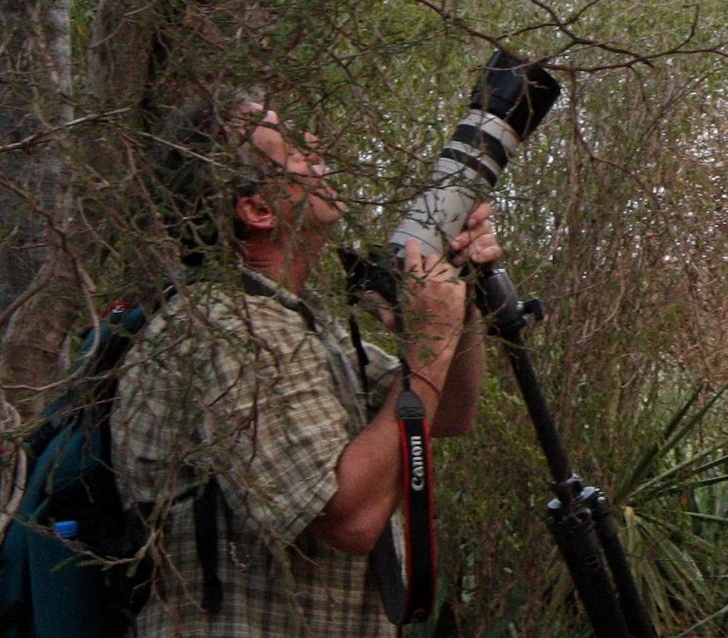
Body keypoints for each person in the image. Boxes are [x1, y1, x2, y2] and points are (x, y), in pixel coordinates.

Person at [114, 97, 501, 637]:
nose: (316, 147)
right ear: (258, 211)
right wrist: (430, 344)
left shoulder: (298, 323)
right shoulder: (225, 329)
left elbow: (447, 413)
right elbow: (350, 519)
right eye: (293, 147)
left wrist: (458, 302)